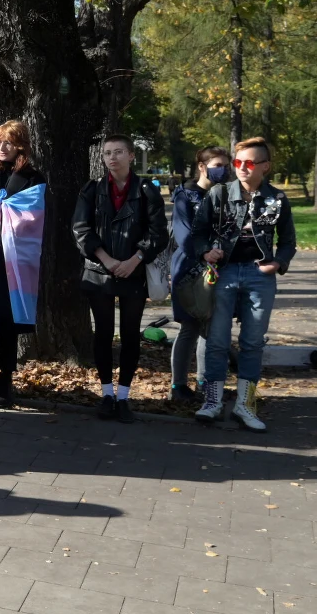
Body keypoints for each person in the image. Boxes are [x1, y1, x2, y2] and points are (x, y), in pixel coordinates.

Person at [190, 137, 296, 432]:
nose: (242, 168)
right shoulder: (219, 194)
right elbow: (198, 233)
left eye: (249, 163)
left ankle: (244, 405)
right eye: (238, 162)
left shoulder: (277, 199)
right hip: (224, 273)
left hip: (259, 276)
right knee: (217, 341)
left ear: (265, 167)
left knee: (252, 342)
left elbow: (288, 242)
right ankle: (212, 402)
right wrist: (205, 251)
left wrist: (277, 263)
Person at [72, 134, 168, 424]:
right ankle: (106, 394)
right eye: (107, 153)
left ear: (130, 156)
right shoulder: (91, 190)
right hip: (99, 272)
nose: (112, 158)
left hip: (133, 274)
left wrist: (134, 260)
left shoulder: (148, 190)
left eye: (118, 152)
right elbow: (81, 229)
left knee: (129, 335)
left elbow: (158, 233)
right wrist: (108, 260)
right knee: (102, 333)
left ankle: (124, 396)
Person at [0, 121, 47, 408]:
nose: (2, 147)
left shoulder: (32, 179)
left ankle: (6, 381)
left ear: (21, 145)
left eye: (9, 142)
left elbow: (33, 220)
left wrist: (5, 215)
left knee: (7, 323)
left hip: (13, 264)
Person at [169, 146, 230, 403]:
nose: (224, 170)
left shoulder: (226, 194)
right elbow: (183, 235)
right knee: (190, 328)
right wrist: (204, 254)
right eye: (218, 164)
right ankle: (178, 386)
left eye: (227, 165)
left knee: (211, 327)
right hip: (189, 270)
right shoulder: (185, 195)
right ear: (202, 166)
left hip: (217, 268)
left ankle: (206, 382)